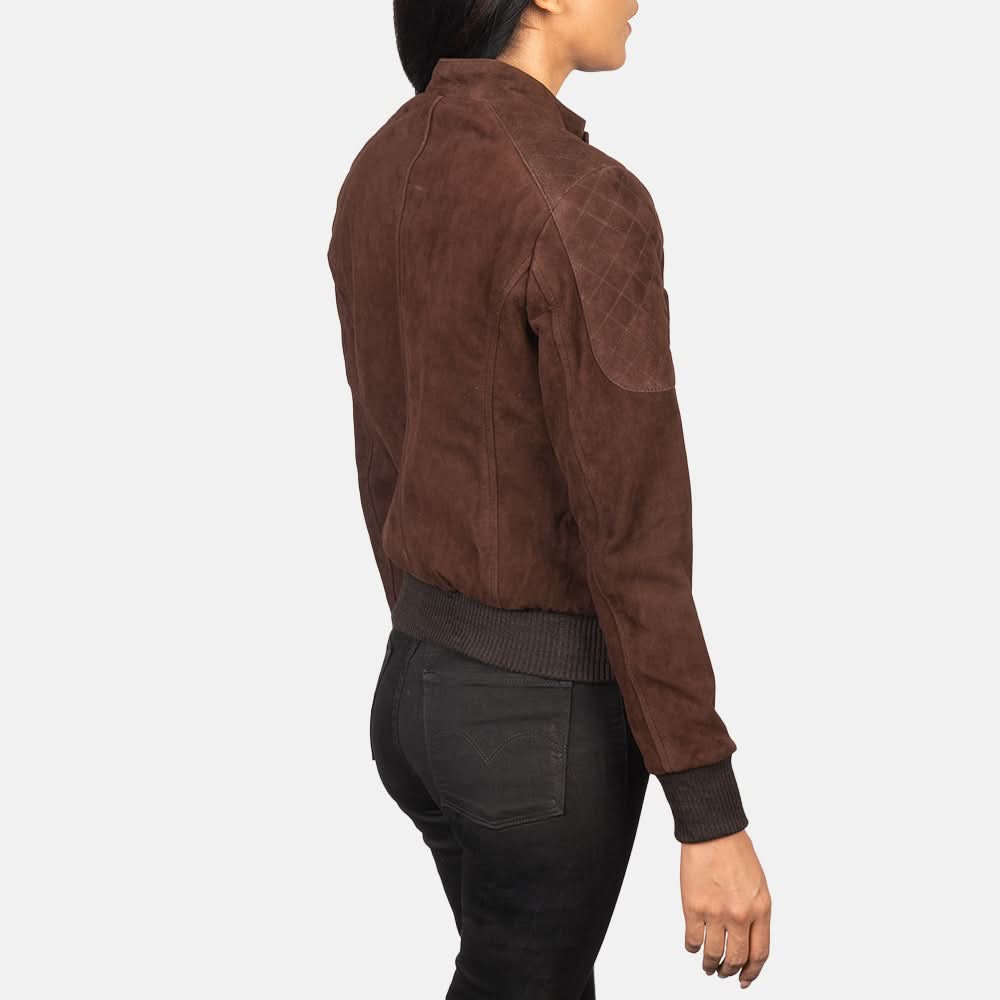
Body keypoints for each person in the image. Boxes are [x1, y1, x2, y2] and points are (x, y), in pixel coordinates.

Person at [328, 1, 771, 995]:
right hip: (535, 734)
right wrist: (708, 808)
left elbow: (384, 452)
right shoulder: (582, 197)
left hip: (415, 693)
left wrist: (439, 647)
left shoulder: (379, 167)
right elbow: (632, 527)